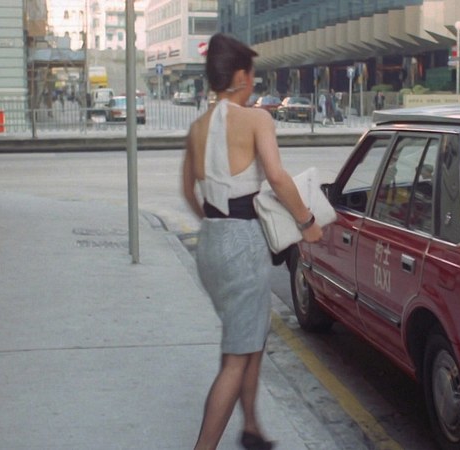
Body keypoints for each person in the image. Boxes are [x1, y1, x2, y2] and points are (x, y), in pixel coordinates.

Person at [181, 33, 323, 450]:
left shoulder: (197, 128)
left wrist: (216, 225)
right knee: (236, 357)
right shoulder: (257, 119)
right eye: (253, 75)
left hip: (211, 242)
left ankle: (252, 428)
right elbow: (277, 177)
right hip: (243, 245)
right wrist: (307, 221)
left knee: (247, 336)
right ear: (241, 76)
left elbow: (188, 191)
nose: (254, 82)